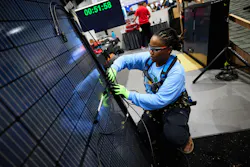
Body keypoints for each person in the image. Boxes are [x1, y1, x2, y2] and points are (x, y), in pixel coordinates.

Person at [107, 28, 194, 164]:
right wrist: (114, 67)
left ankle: (185, 135)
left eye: (156, 49)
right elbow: (125, 59)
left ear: (168, 50)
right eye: (150, 47)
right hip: (155, 105)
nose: (150, 52)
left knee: (174, 136)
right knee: (141, 134)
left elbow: (159, 100)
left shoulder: (176, 72)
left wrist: (129, 94)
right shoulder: (149, 59)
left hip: (174, 106)